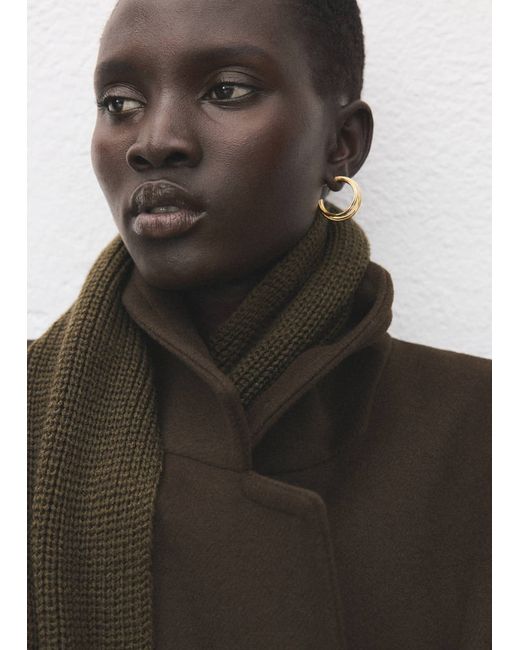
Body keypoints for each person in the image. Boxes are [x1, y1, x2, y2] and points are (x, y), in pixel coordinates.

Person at [27, 0, 491, 648]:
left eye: (226, 90)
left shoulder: (483, 431)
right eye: (120, 103)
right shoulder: (25, 412)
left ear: (342, 143)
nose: (153, 141)